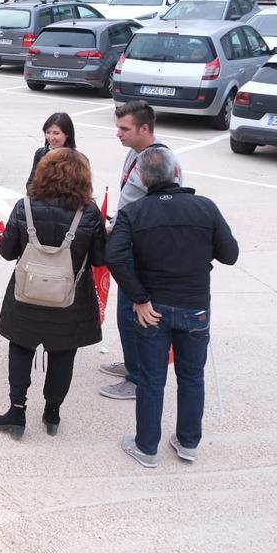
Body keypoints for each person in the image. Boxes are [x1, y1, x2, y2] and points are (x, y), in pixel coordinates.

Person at [107, 147, 239, 468]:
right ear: (176, 174)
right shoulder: (204, 208)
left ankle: (146, 447)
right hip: (195, 307)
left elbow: (115, 257)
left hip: (153, 309)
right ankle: (188, 442)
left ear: (141, 179)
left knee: (152, 380)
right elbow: (230, 254)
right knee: (192, 376)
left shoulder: (134, 213)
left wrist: (138, 297)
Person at [0, 148, 106, 438]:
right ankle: (52, 413)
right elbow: (99, 259)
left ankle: (17, 412)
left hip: (26, 294)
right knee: (63, 355)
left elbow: (7, 252)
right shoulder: (89, 213)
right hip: (70, 299)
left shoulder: (25, 206)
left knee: (20, 348)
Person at [100, 100, 183, 401]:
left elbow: (160, 208)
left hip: (144, 250)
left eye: (124, 128)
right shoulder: (136, 153)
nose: (118, 134)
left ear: (144, 129)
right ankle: (133, 364)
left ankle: (137, 378)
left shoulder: (160, 160)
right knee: (125, 313)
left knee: (133, 312)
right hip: (128, 240)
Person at [26, 112, 76, 191]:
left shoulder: (78, 159)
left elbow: (81, 190)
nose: (51, 137)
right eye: (48, 132)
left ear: (67, 134)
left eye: (56, 133)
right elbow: (30, 184)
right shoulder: (40, 153)